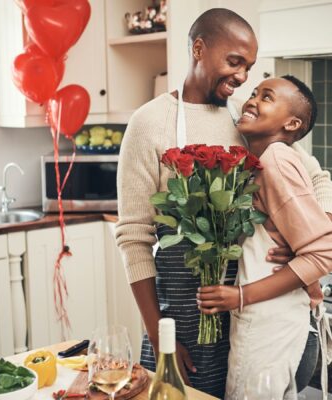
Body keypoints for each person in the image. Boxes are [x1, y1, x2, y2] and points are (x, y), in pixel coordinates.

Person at [116, 8, 332, 398]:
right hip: (181, 315)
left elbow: (316, 174)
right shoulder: (149, 123)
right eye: (234, 62)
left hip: (245, 312)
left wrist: (307, 235)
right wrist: (156, 330)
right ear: (199, 48)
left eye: (248, 67)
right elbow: (134, 238)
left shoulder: (246, 121)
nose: (242, 77)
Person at [197, 75, 332, 399]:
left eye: (267, 97)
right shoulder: (264, 160)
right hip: (277, 321)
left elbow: (324, 252)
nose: (252, 99)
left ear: (292, 123)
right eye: (255, 92)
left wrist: (240, 296)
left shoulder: (276, 160)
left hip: (270, 324)